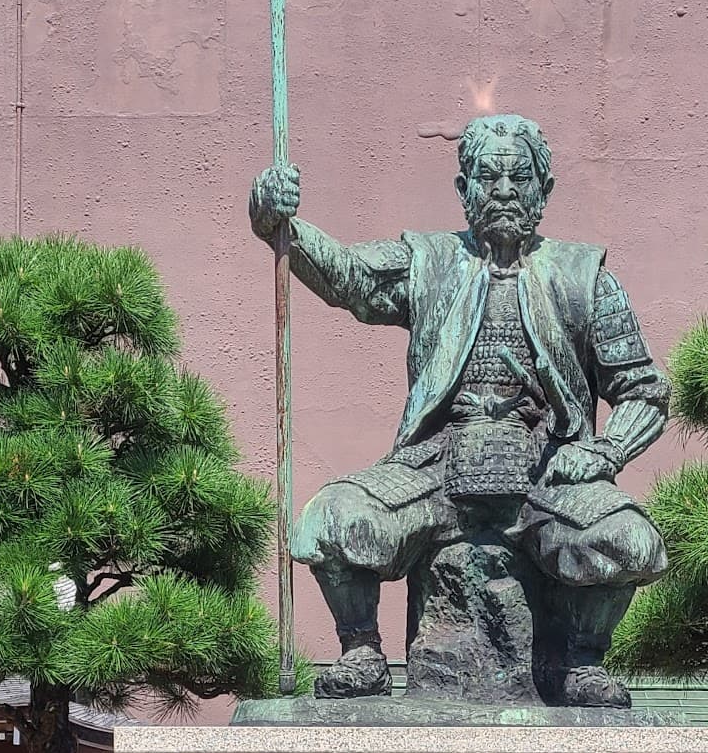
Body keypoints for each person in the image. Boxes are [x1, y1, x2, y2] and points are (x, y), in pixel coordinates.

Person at [249, 115, 669, 707]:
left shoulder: (587, 278)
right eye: (488, 177)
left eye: (519, 178)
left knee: (630, 541)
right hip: (436, 469)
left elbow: (644, 391)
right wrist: (281, 225)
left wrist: (602, 452)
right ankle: (362, 651)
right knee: (331, 518)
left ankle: (581, 660)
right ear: (463, 188)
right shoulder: (429, 260)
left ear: (543, 191)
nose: (503, 191)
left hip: (544, 475)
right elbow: (352, 279)